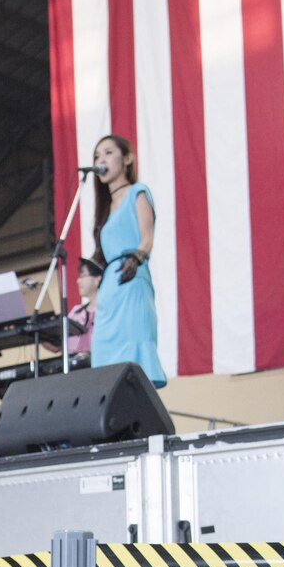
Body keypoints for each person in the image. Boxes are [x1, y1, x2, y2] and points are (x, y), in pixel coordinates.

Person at [89, 134, 167, 387]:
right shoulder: (105, 208)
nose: (102, 160)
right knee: (103, 352)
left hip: (131, 277)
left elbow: (147, 237)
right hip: (109, 289)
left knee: (133, 353)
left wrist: (136, 258)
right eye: (97, 156)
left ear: (128, 159)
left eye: (109, 153)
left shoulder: (138, 193)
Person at [63, 256, 103, 362]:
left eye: (82, 276)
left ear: (97, 278)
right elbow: (58, 344)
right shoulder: (76, 312)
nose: (78, 281)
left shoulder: (107, 310)